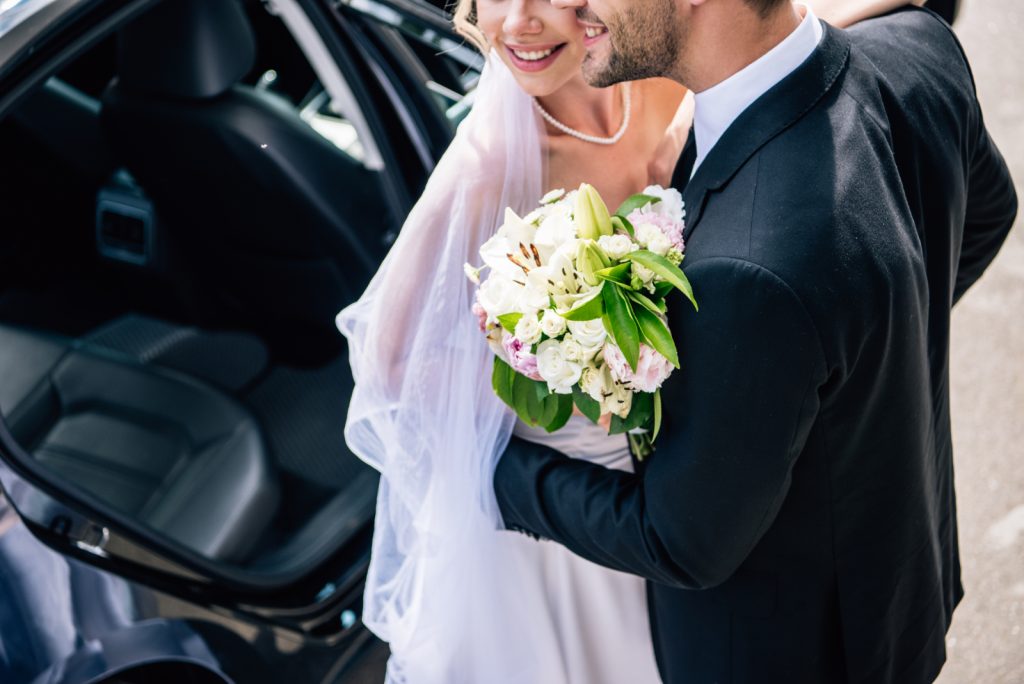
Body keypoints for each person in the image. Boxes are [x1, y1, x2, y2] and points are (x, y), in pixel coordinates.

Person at [337, 0, 934, 682]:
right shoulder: (491, 162)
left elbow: (764, 27)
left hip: (696, 477)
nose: (518, 23)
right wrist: (559, 369)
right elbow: (386, 366)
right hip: (580, 510)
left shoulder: (653, 71)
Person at [493, 1, 1017, 684]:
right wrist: (850, 356)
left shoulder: (748, 275)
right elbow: (990, 212)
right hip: (899, 591)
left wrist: (494, 473)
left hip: (795, 654)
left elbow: (680, 542)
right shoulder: (920, 47)